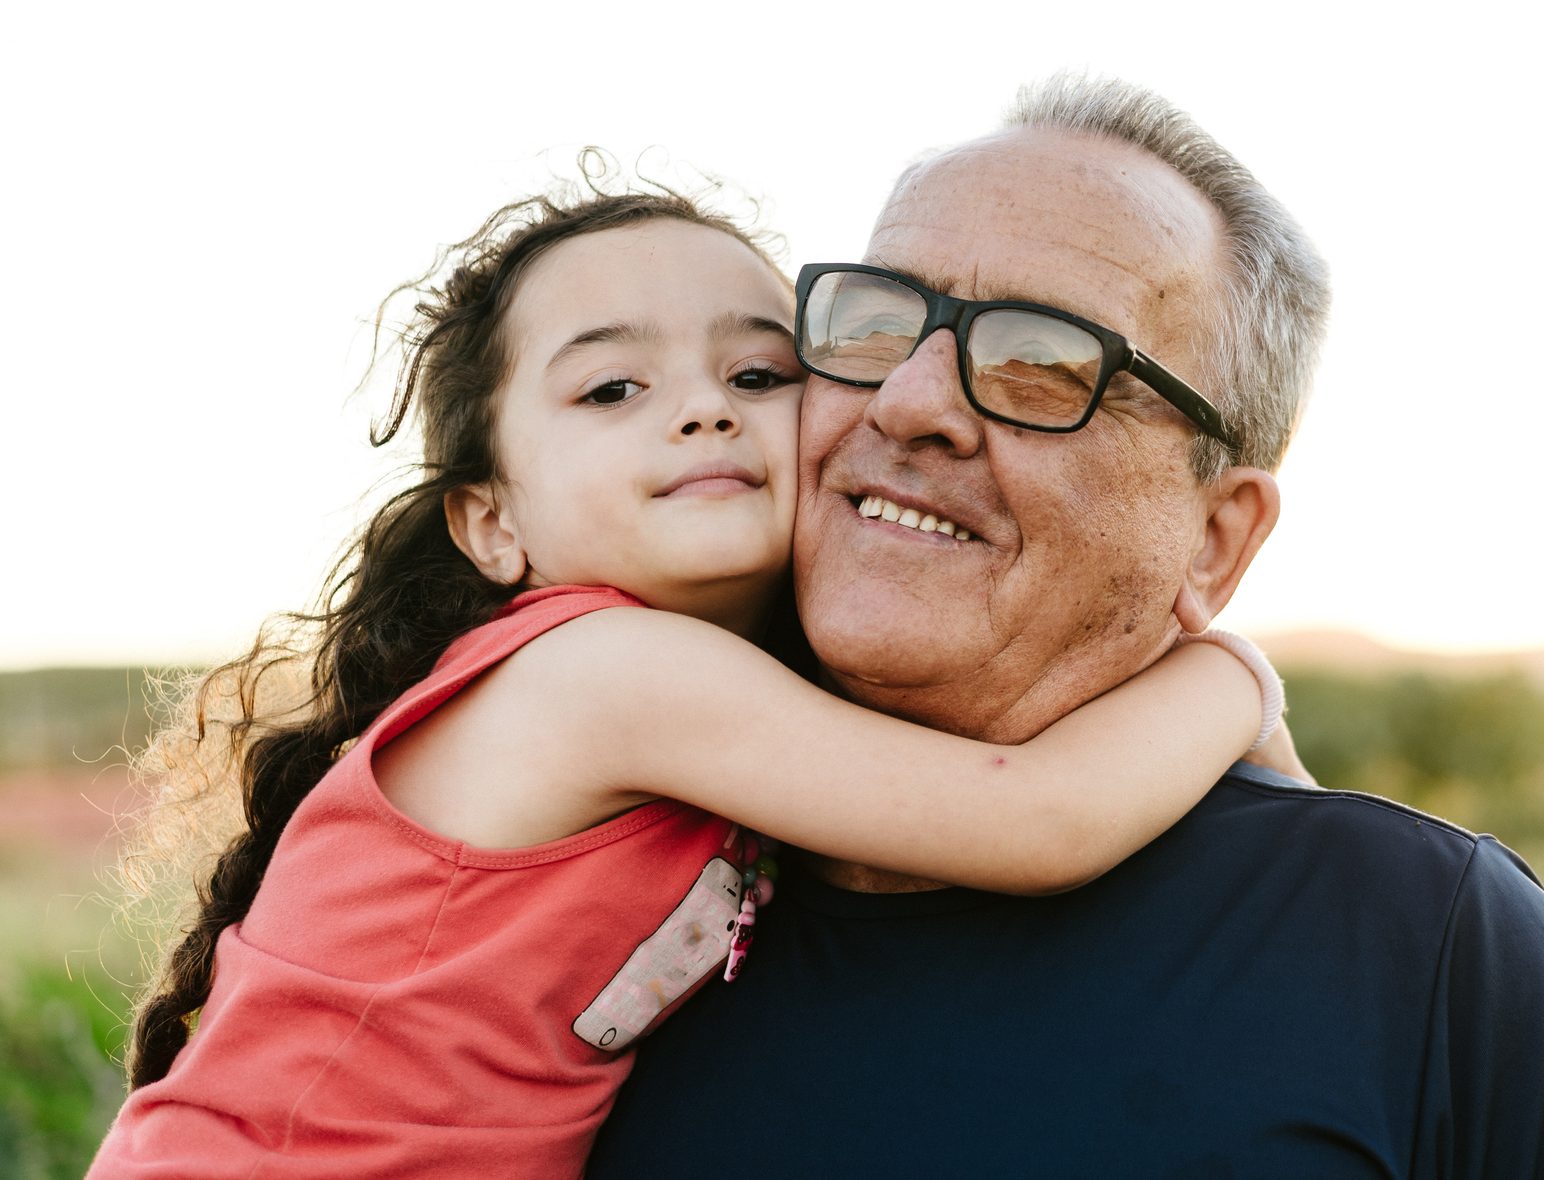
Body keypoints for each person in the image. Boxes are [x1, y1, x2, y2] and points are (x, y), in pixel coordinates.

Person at [587, 77, 1544, 1176]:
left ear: (1216, 538)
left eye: (1044, 361)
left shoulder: (1416, 942)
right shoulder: (580, 879)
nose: (910, 401)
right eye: (875, 322)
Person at [89, 186, 1298, 1178]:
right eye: (614, 390)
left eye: (761, 376)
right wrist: (1235, 682)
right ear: (492, 519)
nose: (704, 412)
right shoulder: (603, 674)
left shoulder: (714, 699)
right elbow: (1037, 814)